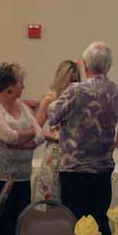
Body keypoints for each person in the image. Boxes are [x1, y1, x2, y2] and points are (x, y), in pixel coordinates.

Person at [48, 42, 118, 235]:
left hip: (75, 170)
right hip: (102, 169)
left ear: (84, 64)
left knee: (75, 226)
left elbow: (53, 116)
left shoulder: (76, 90)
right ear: (109, 66)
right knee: (99, 223)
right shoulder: (116, 91)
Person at [0, 62, 44, 235]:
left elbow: (40, 134)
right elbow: (7, 136)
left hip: (22, 178)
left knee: (18, 231)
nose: (23, 87)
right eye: (21, 83)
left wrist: (17, 141)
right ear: (9, 86)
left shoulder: (22, 107)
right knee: (1, 233)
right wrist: (25, 135)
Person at [33, 59, 80, 202]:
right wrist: (52, 135)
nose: (72, 85)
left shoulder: (80, 98)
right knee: (51, 193)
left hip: (74, 154)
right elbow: (36, 128)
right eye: (70, 81)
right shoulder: (50, 99)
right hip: (54, 153)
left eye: (75, 81)